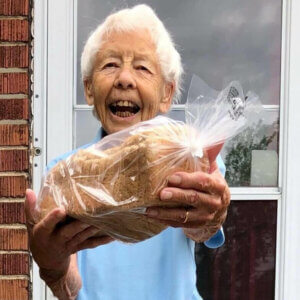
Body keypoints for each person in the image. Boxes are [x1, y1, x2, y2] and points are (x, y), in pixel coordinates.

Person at [25, 4, 230, 300]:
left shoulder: (188, 156)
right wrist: (52, 269)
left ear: (167, 94)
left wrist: (209, 217)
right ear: (89, 89)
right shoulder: (64, 178)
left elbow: (201, 231)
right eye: (110, 65)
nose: (124, 79)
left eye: (142, 68)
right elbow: (69, 290)